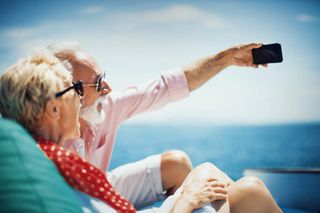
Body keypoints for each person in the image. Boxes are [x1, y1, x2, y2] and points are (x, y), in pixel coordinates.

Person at [0, 52, 282, 213]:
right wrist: (187, 201)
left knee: (208, 173)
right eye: (74, 90)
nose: (83, 96)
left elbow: (164, 86)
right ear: (52, 110)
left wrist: (228, 58)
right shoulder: (58, 176)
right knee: (249, 191)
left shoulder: (41, 163)